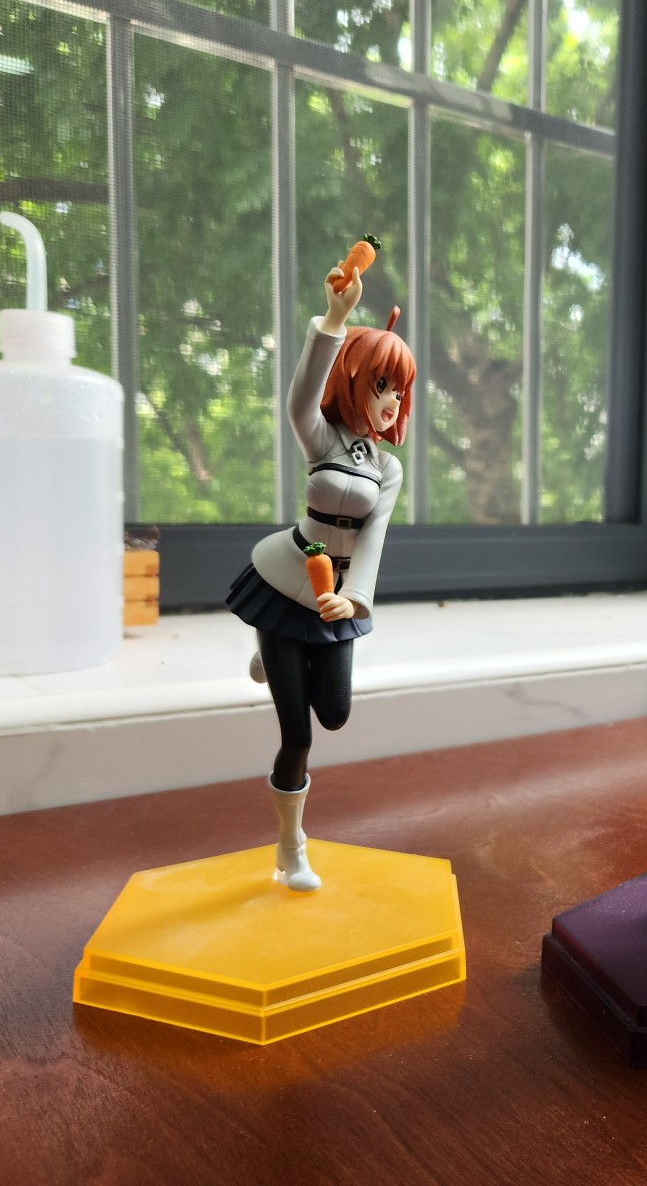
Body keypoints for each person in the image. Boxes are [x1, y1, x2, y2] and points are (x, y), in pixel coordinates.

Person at [226, 265, 414, 892]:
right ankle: (291, 849)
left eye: (399, 390)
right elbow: (301, 399)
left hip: (335, 596)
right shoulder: (322, 438)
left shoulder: (387, 468)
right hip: (286, 582)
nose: (391, 400)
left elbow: (375, 536)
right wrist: (334, 320)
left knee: (334, 713)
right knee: (299, 736)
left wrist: (355, 598)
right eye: (382, 384)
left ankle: (270, 657)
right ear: (355, 379)